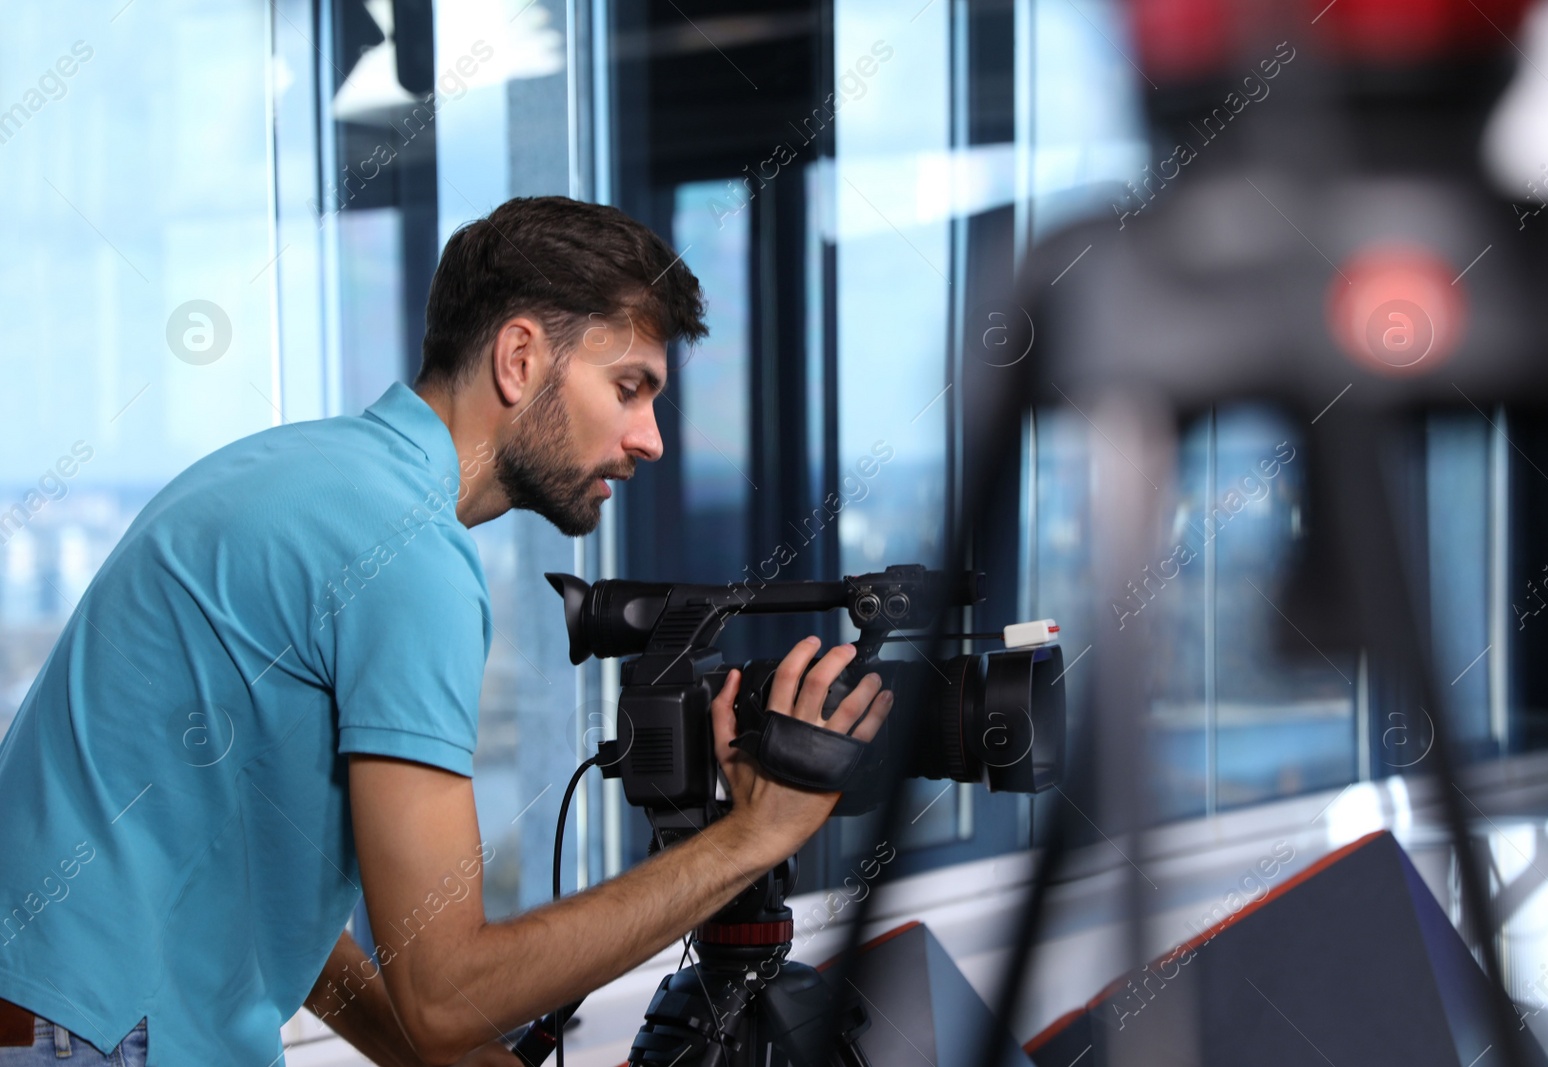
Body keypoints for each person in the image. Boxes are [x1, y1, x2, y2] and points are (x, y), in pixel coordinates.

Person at [0, 196, 893, 1066]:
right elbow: (444, 995)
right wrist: (751, 838)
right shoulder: (409, 556)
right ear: (519, 358)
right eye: (628, 388)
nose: (650, 438)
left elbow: (268, 896)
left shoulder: (303, 472)